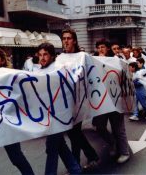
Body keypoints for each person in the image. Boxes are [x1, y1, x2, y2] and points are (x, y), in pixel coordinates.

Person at [31, 42, 82, 175]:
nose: (42, 58)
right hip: (48, 116)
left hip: (59, 116)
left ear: (52, 56)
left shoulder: (59, 69)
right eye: (40, 55)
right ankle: (75, 170)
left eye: (45, 55)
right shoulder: (38, 70)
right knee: (60, 146)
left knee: (52, 148)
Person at [0, 47, 34, 175]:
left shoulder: (9, 76)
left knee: (16, 158)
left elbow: (19, 96)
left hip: (7, 125)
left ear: (2, 60)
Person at [61, 28, 99, 170]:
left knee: (73, 132)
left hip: (79, 100)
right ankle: (91, 156)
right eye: (64, 38)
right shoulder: (60, 58)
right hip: (66, 101)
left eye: (69, 38)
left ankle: (75, 165)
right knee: (73, 133)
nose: (66, 41)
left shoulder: (83, 56)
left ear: (74, 40)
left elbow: (91, 74)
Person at [93, 38, 130, 164]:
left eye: (102, 47)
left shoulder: (116, 61)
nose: (100, 50)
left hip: (115, 99)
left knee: (118, 128)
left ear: (107, 48)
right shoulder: (94, 61)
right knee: (99, 127)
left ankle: (124, 152)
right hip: (101, 101)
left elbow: (124, 78)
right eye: (98, 48)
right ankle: (112, 143)